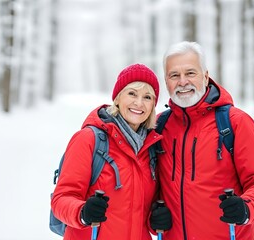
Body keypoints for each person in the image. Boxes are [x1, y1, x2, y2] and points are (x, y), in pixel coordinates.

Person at [156, 41, 254, 239]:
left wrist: (246, 209)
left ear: (205, 76)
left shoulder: (235, 123)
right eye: (174, 75)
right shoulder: (160, 127)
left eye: (190, 73)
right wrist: (154, 214)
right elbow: (151, 188)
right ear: (166, 81)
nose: (183, 81)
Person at [51, 63, 172, 240]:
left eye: (147, 97)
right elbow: (61, 199)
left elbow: (142, 212)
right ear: (117, 98)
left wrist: (155, 220)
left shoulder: (151, 149)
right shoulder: (89, 139)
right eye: (132, 93)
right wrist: (83, 212)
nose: (139, 103)